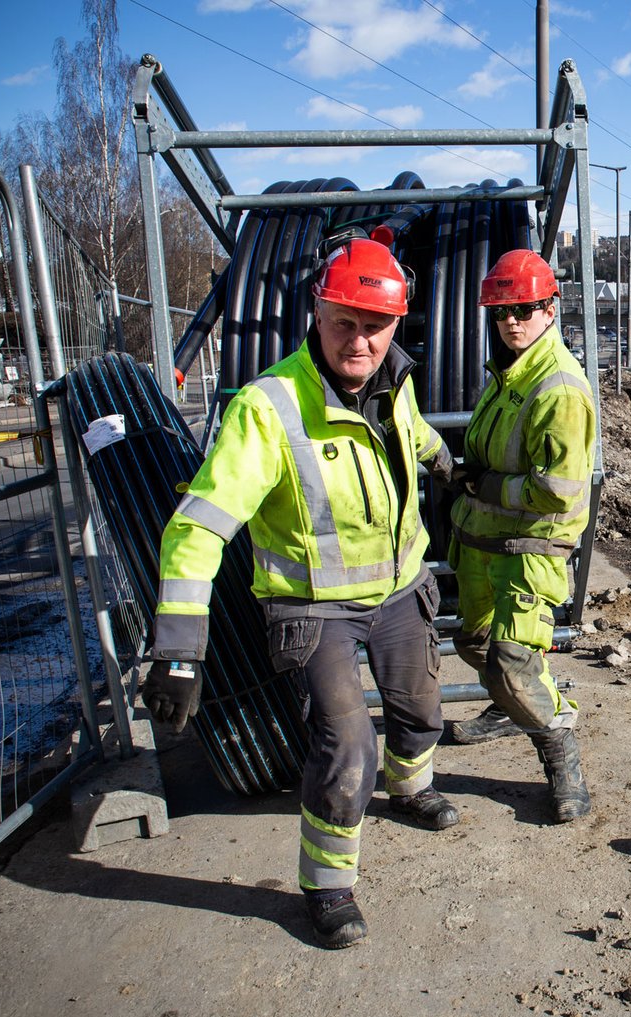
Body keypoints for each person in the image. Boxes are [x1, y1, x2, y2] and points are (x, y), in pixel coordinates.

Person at [140, 233, 461, 950]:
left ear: (395, 326)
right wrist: (180, 651)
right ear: (316, 313)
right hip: (315, 608)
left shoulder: (392, 381)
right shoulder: (269, 408)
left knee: (421, 709)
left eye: (375, 325)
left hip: (401, 588)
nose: (359, 340)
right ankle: (327, 884)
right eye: (344, 321)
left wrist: (449, 470)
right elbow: (197, 529)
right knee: (347, 746)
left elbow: (412, 438)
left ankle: (412, 789)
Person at [445, 248, 596, 823]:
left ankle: (561, 756)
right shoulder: (511, 370)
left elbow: (558, 491)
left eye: (526, 308)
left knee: (513, 662)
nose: (512, 320)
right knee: (477, 645)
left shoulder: (557, 388)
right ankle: (512, 707)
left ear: (551, 308)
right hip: (485, 541)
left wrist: (487, 487)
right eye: (503, 309)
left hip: (528, 547)